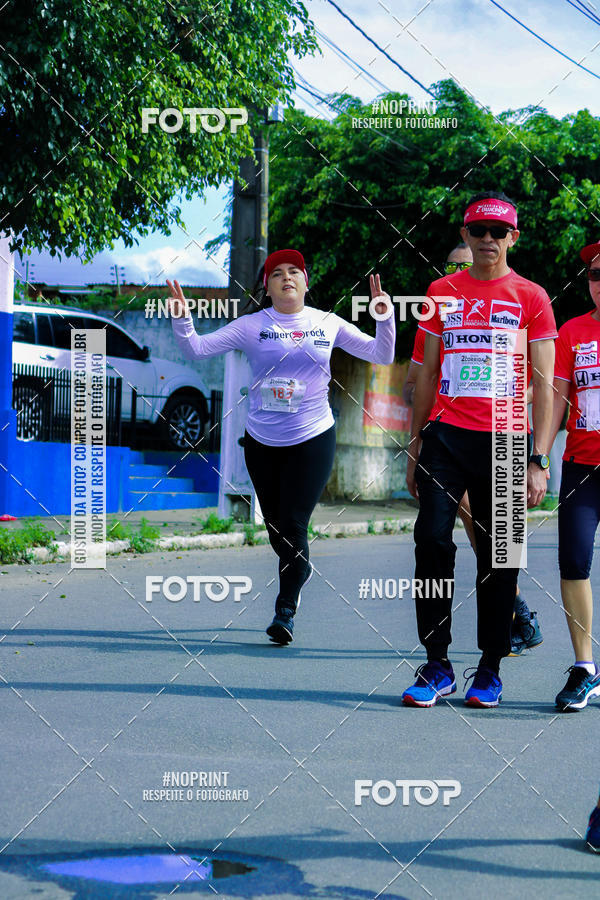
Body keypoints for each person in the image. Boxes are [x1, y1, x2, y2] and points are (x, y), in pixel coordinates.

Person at [166, 249, 395, 644]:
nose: (287, 278)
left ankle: (284, 609)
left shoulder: (327, 324)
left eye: (295, 272)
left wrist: (384, 316)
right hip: (262, 442)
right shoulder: (252, 326)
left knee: (293, 524)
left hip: (312, 437)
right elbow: (197, 349)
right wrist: (182, 318)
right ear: (267, 287)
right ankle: (299, 567)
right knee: (276, 531)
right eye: (277, 274)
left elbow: (382, 354)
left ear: (306, 282)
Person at [401, 191, 557, 708]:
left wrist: (538, 458)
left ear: (513, 237)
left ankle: (489, 667)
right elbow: (426, 372)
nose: (487, 240)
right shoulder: (440, 290)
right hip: (446, 435)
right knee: (431, 541)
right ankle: (436, 662)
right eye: (478, 230)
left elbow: (543, 380)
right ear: (465, 235)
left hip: (509, 439)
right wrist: (415, 442)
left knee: (500, 556)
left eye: (498, 231)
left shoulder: (531, 297)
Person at [548, 237, 600, 711]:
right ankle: (585, 667)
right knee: (574, 562)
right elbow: (558, 398)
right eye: (595, 275)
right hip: (583, 468)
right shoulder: (573, 332)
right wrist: (538, 455)